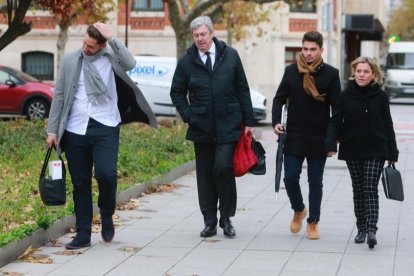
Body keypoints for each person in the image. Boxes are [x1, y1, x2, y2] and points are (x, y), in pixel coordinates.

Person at [46, 22, 157, 249]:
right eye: (85, 43)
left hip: (105, 126)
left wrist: (113, 38)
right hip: (76, 129)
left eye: (91, 46)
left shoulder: (111, 57)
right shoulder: (71, 60)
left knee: (107, 175)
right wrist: (52, 130)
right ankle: (83, 233)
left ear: (102, 45)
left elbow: (131, 63)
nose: (86, 48)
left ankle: (106, 213)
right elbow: (59, 96)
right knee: (80, 183)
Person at [170, 16, 255, 238]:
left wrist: (248, 121)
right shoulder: (186, 62)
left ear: (212, 33)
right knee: (205, 175)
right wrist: (188, 115)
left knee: (223, 168)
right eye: (196, 35)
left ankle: (226, 218)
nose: (200, 39)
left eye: (203, 35)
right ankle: (209, 221)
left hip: (229, 124)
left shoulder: (231, 56)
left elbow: (242, 88)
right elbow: (176, 92)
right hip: (201, 125)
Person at [272, 31, 341, 240]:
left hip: (319, 137)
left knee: (315, 181)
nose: (308, 53)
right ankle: (299, 209)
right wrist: (276, 122)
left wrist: (332, 140)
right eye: (305, 49)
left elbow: (337, 110)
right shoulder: (291, 71)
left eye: (313, 49)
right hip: (294, 135)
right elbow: (278, 99)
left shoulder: (331, 74)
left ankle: (313, 222)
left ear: (321, 50)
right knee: (290, 177)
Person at [325, 56, 398, 249]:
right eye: (359, 71)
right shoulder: (345, 96)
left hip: (376, 148)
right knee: (358, 190)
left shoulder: (381, 97)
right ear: (354, 73)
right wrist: (331, 143)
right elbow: (335, 121)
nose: (362, 75)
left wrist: (393, 152)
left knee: (370, 188)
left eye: (366, 71)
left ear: (373, 74)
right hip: (353, 147)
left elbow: (388, 125)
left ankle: (371, 229)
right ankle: (361, 228)